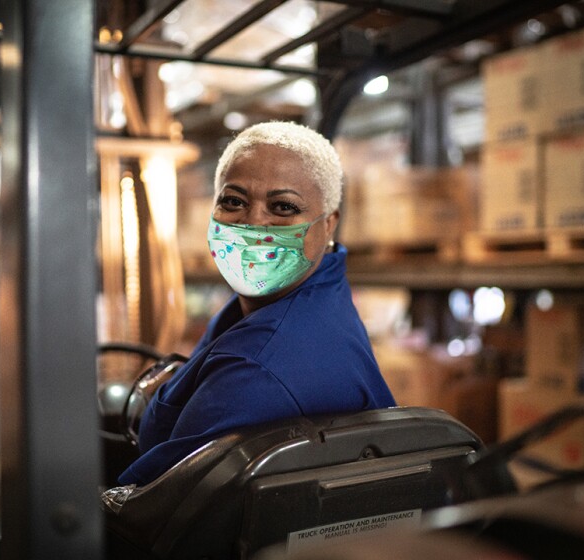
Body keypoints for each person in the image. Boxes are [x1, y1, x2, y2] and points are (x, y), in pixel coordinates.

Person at [117, 121, 395, 487]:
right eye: (233, 201)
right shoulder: (287, 300)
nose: (253, 224)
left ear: (328, 225)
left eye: (282, 207)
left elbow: (148, 503)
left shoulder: (259, 368)